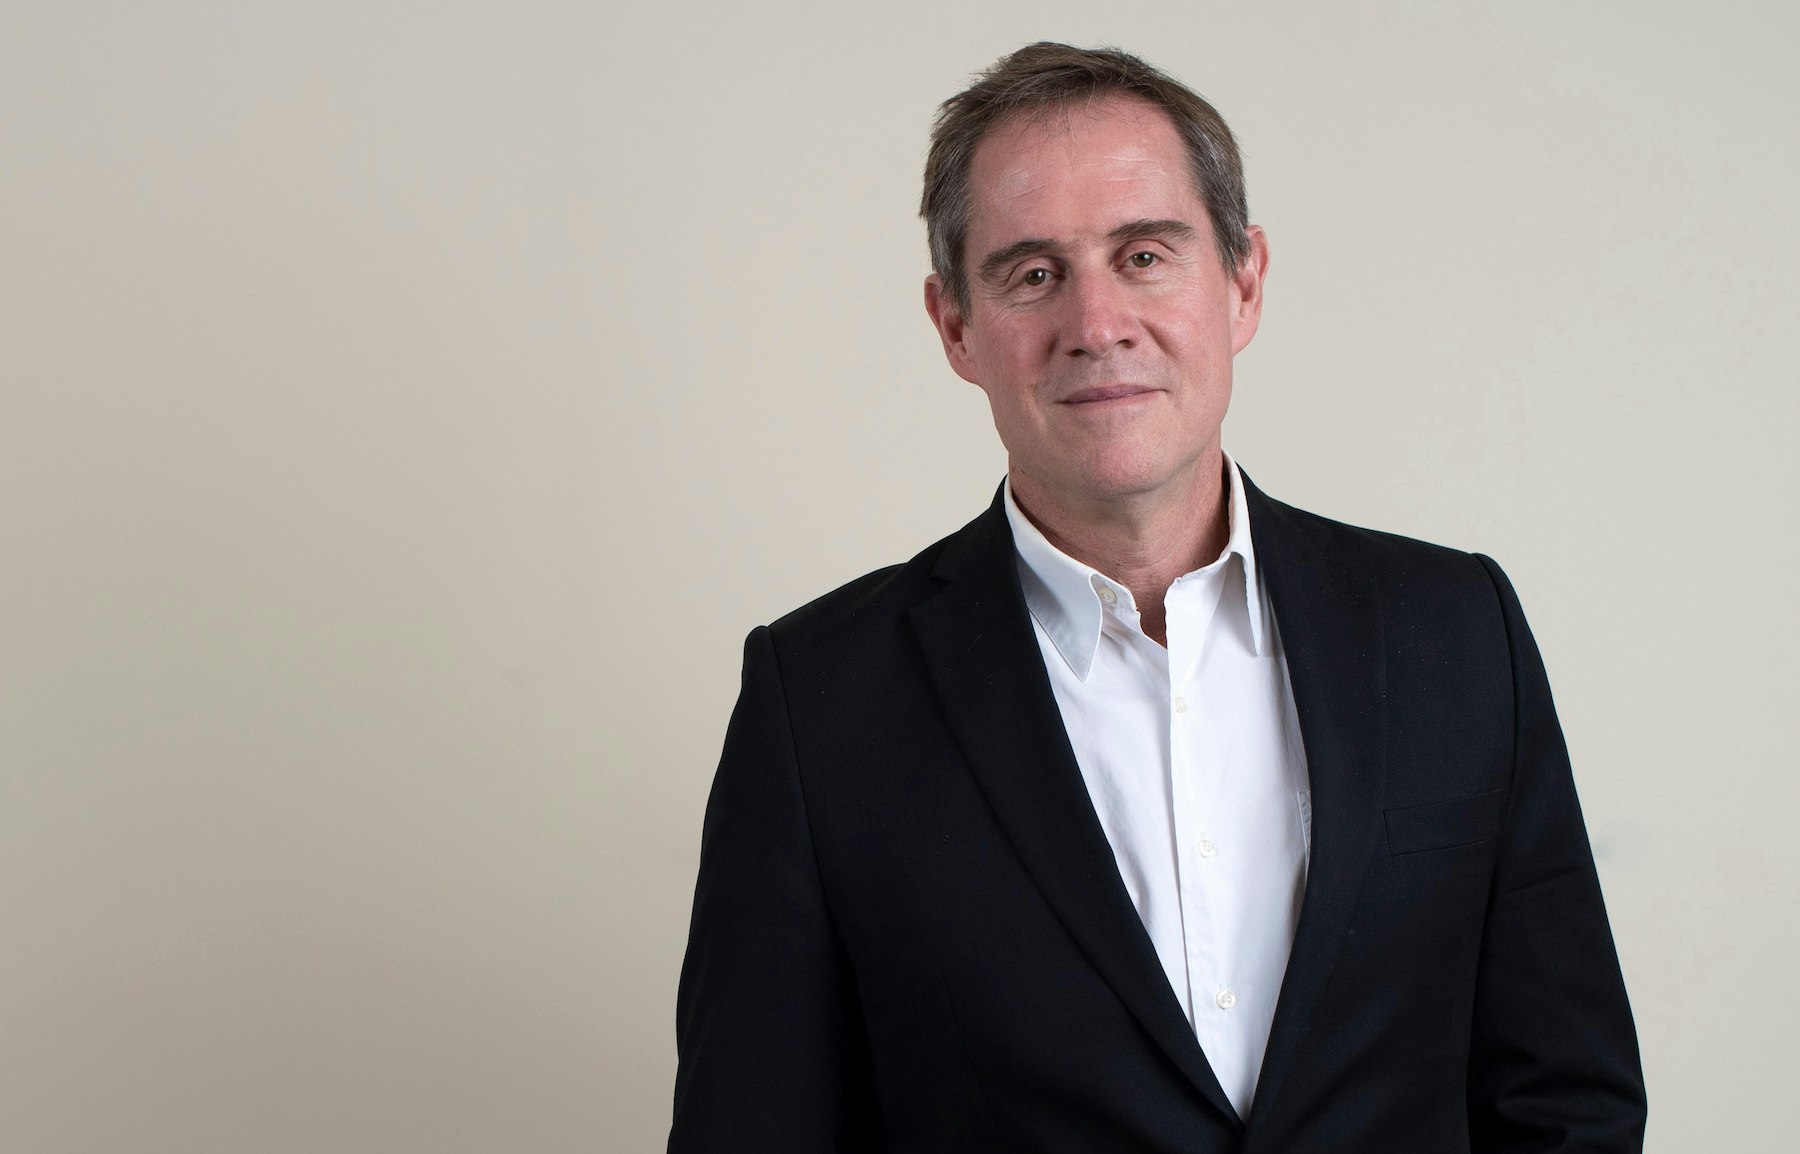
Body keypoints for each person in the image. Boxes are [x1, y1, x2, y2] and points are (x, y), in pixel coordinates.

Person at [668, 42, 1645, 1153]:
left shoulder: (1455, 631)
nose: (1096, 322)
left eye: (1143, 255)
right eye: (1033, 273)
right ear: (955, 326)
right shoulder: (823, 700)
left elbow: (1568, 1101)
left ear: (1243, 282)